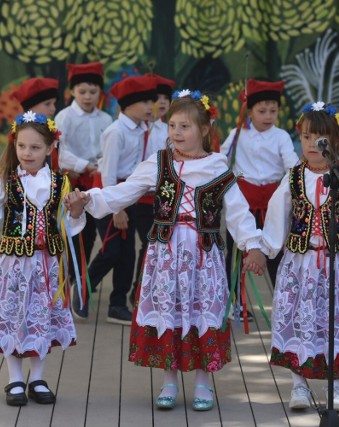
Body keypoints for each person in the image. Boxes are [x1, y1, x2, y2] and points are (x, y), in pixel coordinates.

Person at [67, 90, 266, 411]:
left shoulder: (218, 167)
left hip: (203, 257)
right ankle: (169, 381)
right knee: (168, 311)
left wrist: (253, 246)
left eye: (185, 126)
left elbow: (239, 214)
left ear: (204, 129)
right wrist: (88, 200)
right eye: (172, 125)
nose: (176, 132)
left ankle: (203, 383)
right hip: (166, 255)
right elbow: (123, 192)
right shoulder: (158, 163)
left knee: (204, 313)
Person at [257, 101, 339, 412]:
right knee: (299, 321)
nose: (312, 144)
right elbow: (276, 218)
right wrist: (263, 249)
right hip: (299, 263)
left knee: (331, 321)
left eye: (320, 138)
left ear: (335, 140)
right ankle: (299, 385)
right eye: (307, 137)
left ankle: (334, 386)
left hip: (334, 264)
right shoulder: (293, 177)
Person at [0, 111, 86, 406]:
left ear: (50, 149)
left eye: (35, 148)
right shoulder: (6, 182)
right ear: (14, 145)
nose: (27, 153)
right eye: (22, 146)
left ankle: (38, 377)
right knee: (14, 314)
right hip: (14, 265)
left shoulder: (60, 183)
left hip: (47, 265)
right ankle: (15, 379)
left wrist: (77, 210)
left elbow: (67, 226)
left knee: (41, 316)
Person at [71, 74, 157, 325]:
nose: (150, 107)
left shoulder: (144, 128)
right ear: (127, 105)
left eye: (151, 101)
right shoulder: (115, 132)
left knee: (128, 252)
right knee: (111, 250)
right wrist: (116, 209)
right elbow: (107, 173)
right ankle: (81, 288)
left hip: (129, 194)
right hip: (108, 196)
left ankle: (118, 304)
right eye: (144, 102)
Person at [221, 79, 299, 320]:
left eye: (273, 111)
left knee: (276, 252)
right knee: (236, 253)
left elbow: (292, 165)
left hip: (274, 204)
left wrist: (298, 186)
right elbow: (221, 161)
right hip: (243, 203)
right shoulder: (236, 134)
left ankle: (285, 304)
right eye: (261, 111)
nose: (268, 116)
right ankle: (235, 303)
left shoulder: (281, 136)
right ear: (249, 110)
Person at [55, 62, 112, 285]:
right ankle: (71, 277)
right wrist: (85, 165)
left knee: (92, 234)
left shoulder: (106, 119)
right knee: (74, 231)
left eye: (93, 91)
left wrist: (100, 165)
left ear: (100, 92)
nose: (87, 96)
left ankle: (81, 279)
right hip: (74, 181)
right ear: (71, 92)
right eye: (82, 92)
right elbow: (61, 151)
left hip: (97, 181)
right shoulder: (64, 117)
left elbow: (107, 150)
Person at [130, 73, 175, 307]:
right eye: (156, 98)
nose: (161, 102)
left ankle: (150, 291)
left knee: (156, 246)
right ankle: (137, 292)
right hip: (143, 198)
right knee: (147, 245)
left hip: (164, 199)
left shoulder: (170, 130)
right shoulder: (143, 129)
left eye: (166, 98)